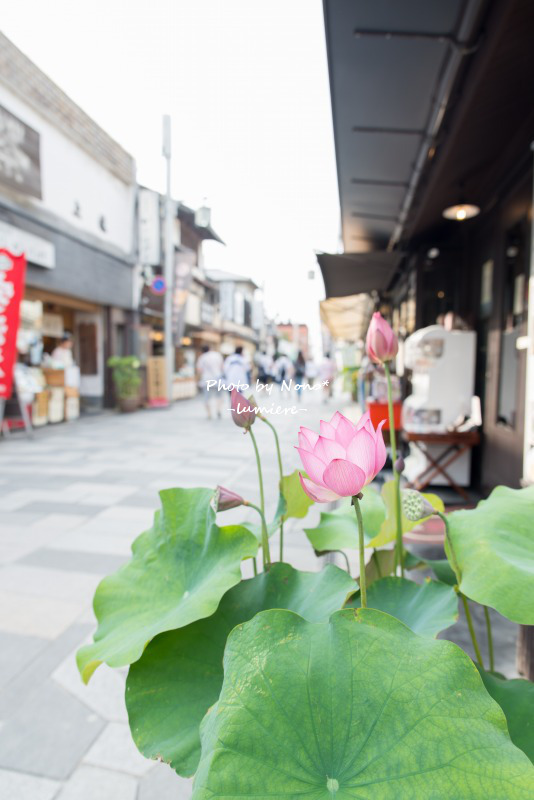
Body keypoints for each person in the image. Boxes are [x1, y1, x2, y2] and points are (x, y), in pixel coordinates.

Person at [196, 345, 224, 419]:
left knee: (206, 397)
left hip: (206, 380)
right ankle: (218, 409)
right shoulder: (217, 355)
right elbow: (222, 367)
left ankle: (209, 413)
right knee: (219, 396)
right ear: (210, 349)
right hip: (217, 379)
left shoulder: (202, 358)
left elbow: (199, 369)